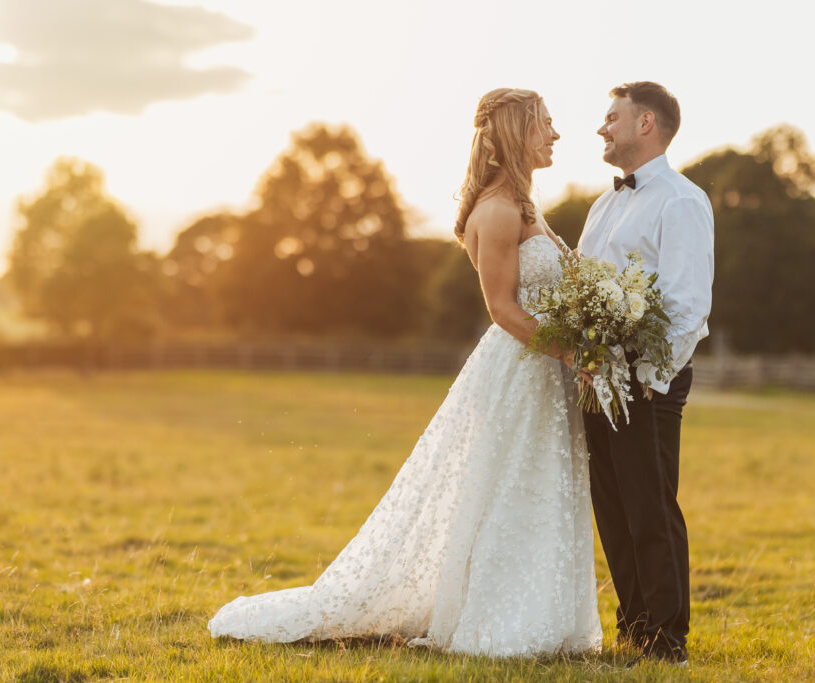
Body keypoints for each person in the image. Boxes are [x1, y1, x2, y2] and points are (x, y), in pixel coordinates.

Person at [208, 88, 603, 657]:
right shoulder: (496, 210)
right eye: (546, 124)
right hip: (522, 369)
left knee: (543, 488)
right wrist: (570, 353)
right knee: (514, 489)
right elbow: (502, 307)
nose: (556, 135)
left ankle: (545, 617)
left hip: (542, 370)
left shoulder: (525, 205)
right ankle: (500, 622)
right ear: (518, 131)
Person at [577, 81, 714, 666]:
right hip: (594, 376)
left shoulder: (681, 201)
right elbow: (582, 289)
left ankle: (667, 642)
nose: (602, 128)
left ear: (646, 124)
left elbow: (688, 305)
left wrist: (650, 379)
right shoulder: (603, 205)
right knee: (612, 507)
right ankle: (633, 630)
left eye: (612, 117)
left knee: (650, 505)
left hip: (646, 379)